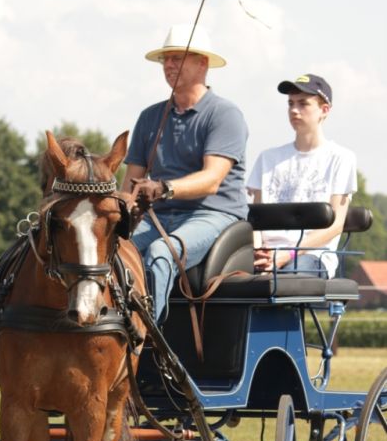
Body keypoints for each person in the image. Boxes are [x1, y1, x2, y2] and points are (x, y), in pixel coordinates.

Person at [121, 23, 249, 323]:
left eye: (177, 58)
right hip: (159, 216)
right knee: (113, 250)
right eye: (165, 59)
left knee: (161, 252)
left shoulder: (224, 114)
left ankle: (146, 337)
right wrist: (121, 211)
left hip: (213, 214)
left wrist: (163, 189)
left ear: (202, 63)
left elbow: (212, 180)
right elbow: (130, 183)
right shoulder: (150, 117)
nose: (168, 65)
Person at [247, 73, 357, 278]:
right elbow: (256, 219)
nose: (294, 110)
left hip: (313, 256)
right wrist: (258, 252)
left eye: (303, 104)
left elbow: (335, 225)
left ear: (324, 110)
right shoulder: (267, 158)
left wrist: (287, 255)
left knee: (288, 278)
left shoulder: (341, 158)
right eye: (290, 103)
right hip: (267, 255)